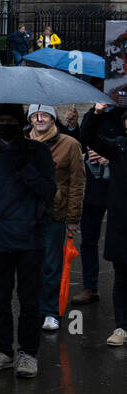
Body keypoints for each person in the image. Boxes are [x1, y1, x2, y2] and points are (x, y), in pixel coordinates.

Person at [0, 104, 57, 377]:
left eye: (11, 120)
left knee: (29, 300)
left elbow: (49, 191)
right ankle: (2, 349)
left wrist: (26, 169)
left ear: (20, 122)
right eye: (1, 120)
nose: (5, 124)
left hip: (30, 237)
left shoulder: (38, 151)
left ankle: (28, 352)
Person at [26, 104, 84, 333]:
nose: (40, 119)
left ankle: (50, 311)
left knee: (51, 264)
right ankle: (33, 309)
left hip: (55, 213)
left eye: (45, 115)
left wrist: (73, 216)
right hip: (27, 214)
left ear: (53, 118)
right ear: (30, 119)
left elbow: (77, 183)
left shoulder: (69, 144)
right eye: (35, 115)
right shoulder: (23, 144)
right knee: (30, 265)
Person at [76, 105, 127, 346]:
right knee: (122, 278)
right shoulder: (118, 146)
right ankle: (122, 327)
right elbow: (88, 137)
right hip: (122, 223)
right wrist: (95, 113)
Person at [72, 126, 111, 307]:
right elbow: (79, 141)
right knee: (88, 240)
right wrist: (72, 126)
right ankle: (90, 287)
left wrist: (112, 158)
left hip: (117, 187)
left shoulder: (122, 115)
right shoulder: (93, 116)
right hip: (93, 190)